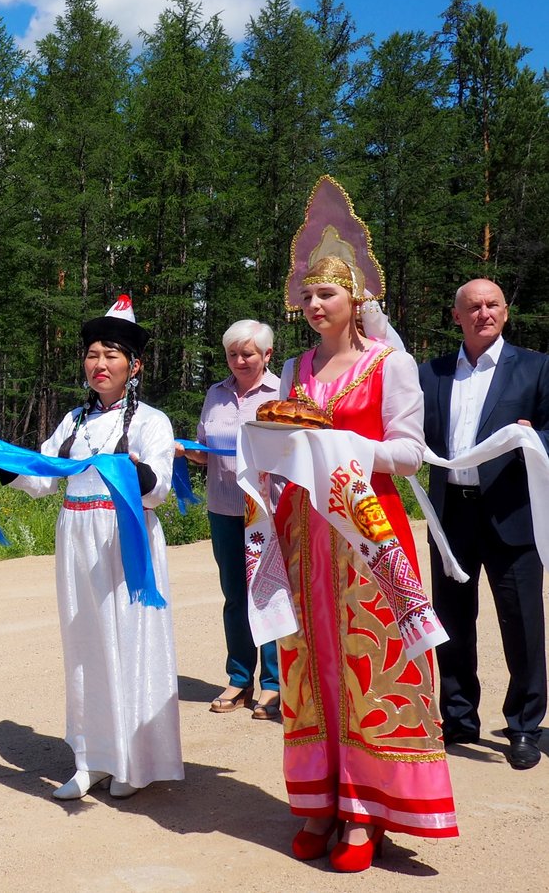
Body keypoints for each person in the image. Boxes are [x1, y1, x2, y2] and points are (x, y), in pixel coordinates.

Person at [269, 178, 456, 871]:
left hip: (369, 531)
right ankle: (321, 799)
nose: (316, 306)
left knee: (369, 670)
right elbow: (290, 440)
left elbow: (409, 454)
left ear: (358, 300)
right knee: (310, 663)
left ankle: (366, 810)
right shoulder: (294, 367)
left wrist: (343, 446)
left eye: (329, 295)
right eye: (309, 296)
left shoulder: (391, 365)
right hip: (304, 533)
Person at [0, 295, 183, 800]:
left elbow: (158, 488)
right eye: (93, 355)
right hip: (77, 539)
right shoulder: (73, 422)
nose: (100, 365)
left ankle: (131, 759)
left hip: (126, 542)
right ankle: (90, 758)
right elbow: (43, 477)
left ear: (134, 365)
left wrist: (134, 468)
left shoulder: (152, 422)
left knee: (127, 640)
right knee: (84, 647)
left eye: (113, 355)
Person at [419, 278, 549, 770]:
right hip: (451, 513)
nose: (483, 312)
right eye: (472, 306)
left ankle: (523, 726)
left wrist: (534, 439)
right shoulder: (430, 373)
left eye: (492, 304)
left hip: (512, 514)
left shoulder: (536, 368)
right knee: (451, 622)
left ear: (505, 313)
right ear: (457, 316)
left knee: (522, 625)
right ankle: (458, 718)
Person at [182, 320, 281, 719]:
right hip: (223, 507)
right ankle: (239, 679)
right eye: (232, 354)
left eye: (248, 354)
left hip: (269, 510)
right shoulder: (215, 393)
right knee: (234, 596)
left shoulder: (283, 392)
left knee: (270, 594)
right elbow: (206, 450)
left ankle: (274, 684)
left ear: (267, 355)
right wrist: (184, 451)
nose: (239, 361)